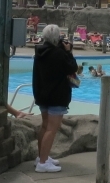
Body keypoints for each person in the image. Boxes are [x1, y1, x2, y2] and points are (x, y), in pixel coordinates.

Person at [31, 24, 77, 173]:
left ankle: (41, 157)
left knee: (45, 126)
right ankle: (43, 163)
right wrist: (69, 53)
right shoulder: (59, 54)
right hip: (57, 96)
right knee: (52, 129)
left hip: (42, 94)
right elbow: (72, 68)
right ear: (57, 37)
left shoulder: (39, 52)